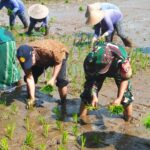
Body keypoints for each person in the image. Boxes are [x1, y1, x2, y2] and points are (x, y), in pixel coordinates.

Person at [79, 42, 134, 122]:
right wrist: (94, 95)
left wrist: (119, 98)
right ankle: (81, 118)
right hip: (96, 70)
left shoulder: (122, 60)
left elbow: (125, 79)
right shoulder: (89, 61)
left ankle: (128, 119)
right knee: (88, 93)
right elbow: (91, 81)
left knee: (126, 95)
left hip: (116, 68)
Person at [17, 39, 69, 108]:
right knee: (30, 77)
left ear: (33, 54)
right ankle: (30, 98)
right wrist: (32, 99)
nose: (30, 65)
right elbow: (29, 77)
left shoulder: (46, 50)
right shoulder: (22, 56)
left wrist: (52, 79)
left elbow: (58, 62)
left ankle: (63, 103)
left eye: (30, 62)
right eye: (27, 63)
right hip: (41, 60)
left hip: (60, 54)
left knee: (61, 81)